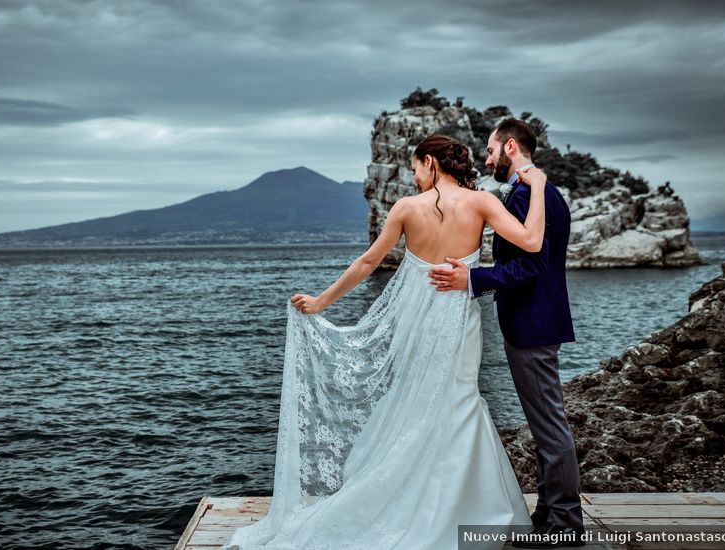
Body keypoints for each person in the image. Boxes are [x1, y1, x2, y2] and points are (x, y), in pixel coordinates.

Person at [220, 134, 548, 550]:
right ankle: (463, 510)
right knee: (460, 401)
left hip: (415, 324)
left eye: (414, 169)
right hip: (458, 321)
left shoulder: (406, 209)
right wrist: (536, 185)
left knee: (418, 403)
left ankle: (415, 502)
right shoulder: (482, 203)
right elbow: (533, 242)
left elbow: (369, 262)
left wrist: (322, 301)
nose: (414, 178)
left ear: (430, 162)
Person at [430, 118, 584, 548]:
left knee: (550, 427)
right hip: (538, 320)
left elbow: (533, 265)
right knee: (544, 425)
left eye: (491, 150)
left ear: (510, 147)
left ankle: (566, 526)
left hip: (532, 323)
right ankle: (548, 515)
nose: (485, 157)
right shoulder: (540, 192)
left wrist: (473, 280)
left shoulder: (529, 196)